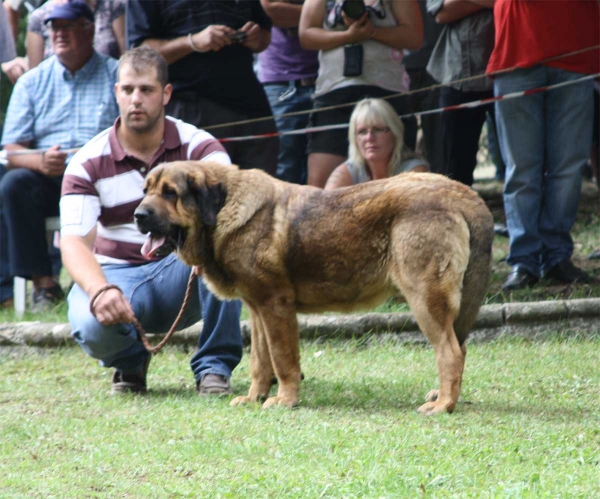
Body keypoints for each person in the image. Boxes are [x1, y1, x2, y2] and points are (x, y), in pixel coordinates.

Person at [60, 46, 243, 395]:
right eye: (127, 90)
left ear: (166, 94)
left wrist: (206, 249)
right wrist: (100, 291)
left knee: (226, 250)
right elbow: (73, 244)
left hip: (185, 268)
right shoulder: (86, 162)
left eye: (146, 90)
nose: (136, 100)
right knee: (89, 321)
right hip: (117, 273)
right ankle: (131, 362)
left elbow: (230, 215)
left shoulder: (201, 149)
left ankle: (214, 367)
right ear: (117, 93)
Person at [0, 0, 119, 311]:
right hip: (50, 179)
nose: (59, 34)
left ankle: (120, 271)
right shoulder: (32, 81)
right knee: (14, 183)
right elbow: (10, 149)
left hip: (101, 180)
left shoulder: (115, 75)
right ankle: (44, 284)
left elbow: (132, 136)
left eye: (68, 26)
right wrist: (38, 161)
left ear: (89, 29)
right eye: (54, 27)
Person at [486, 0, 599, 290]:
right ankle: (524, 260)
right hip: (518, 53)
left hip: (576, 56)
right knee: (522, 169)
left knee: (569, 167)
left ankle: (557, 256)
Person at [126, 0, 279, 176]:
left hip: (251, 106)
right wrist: (193, 42)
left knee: (263, 195)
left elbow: (264, 35)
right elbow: (139, 56)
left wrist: (257, 37)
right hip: (192, 106)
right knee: (200, 195)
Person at [299, 0, 423, 187]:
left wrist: (372, 31)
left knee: (396, 186)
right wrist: (348, 36)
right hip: (333, 95)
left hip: (387, 94)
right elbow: (306, 35)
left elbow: (414, 37)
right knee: (318, 190)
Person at [426, 0, 495, 187]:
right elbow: (440, 12)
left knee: (523, 163)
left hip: (512, 71)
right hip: (458, 74)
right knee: (454, 171)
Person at [259, 0, 319, 185]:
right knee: (282, 169)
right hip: (282, 84)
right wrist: (322, 15)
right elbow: (269, 10)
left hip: (327, 82)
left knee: (321, 170)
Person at [324, 98, 427, 190]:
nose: (369, 138)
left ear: (395, 133)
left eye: (378, 129)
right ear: (354, 138)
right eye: (362, 131)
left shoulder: (414, 172)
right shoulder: (347, 172)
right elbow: (325, 208)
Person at [27, 0, 126, 69]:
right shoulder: (39, 16)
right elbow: (35, 70)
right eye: (56, 27)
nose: (61, 33)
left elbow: (127, 55)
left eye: (68, 26)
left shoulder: (113, 6)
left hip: (105, 82)